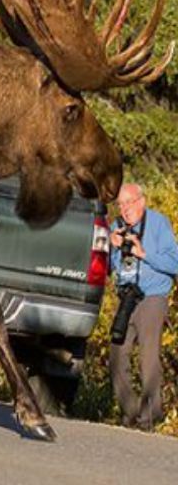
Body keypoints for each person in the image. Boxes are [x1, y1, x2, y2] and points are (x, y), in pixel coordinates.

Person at [108, 183, 178, 431]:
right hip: (126, 296)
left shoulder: (159, 224)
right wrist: (111, 247)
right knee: (116, 354)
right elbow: (109, 268)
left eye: (129, 203)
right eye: (121, 204)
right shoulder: (116, 226)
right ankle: (133, 410)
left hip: (152, 296)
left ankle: (148, 417)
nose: (125, 209)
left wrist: (144, 253)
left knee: (148, 358)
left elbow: (174, 262)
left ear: (141, 201)